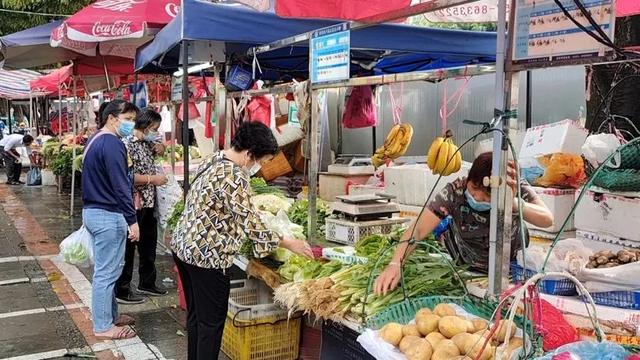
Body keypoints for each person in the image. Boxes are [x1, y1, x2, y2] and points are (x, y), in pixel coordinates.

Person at [171, 121, 314, 360]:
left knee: (197, 317)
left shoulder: (214, 159)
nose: (261, 166)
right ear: (249, 154)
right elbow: (252, 223)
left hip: (184, 246)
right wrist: (289, 243)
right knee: (212, 324)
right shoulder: (234, 175)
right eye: (262, 161)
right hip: (208, 257)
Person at [374, 152, 554, 295]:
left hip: (509, 272)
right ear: (469, 178)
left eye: (486, 196)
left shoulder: (513, 189)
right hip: (468, 268)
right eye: (474, 188)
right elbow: (418, 230)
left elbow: (547, 219)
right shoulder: (455, 192)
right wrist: (395, 263)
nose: (477, 197)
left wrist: (513, 203)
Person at [82, 100, 140, 340]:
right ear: (112, 118)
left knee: (109, 271)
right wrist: (132, 219)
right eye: (128, 119)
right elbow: (119, 185)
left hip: (95, 211)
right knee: (106, 274)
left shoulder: (96, 140)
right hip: (108, 215)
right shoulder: (112, 144)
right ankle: (104, 326)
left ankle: (110, 315)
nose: (131, 124)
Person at [115, 109, 169, 304]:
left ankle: (147, 282)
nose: (155, 132)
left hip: (149, 202)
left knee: (149, 245)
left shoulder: (147, 143)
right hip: (132, 203)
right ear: (145, 126)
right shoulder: (126, 145)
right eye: (153, 129)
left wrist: (160, 146)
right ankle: (122, 289)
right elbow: (126, 177)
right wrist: (152, 179)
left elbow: (160, 149)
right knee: (129, 248)